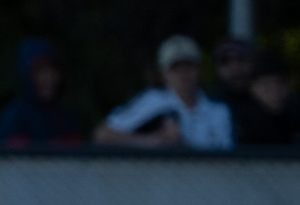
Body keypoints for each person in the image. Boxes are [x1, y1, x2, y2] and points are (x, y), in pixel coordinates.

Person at [94, 35, 234, 149]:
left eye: (189, 67)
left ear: (200, 70)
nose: (183, 74)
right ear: (163, 73)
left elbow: (227, 160)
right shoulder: (153, 100)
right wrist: (153, 141)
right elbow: (103, 135)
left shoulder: (219, 112)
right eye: (175, 68)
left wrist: (182, 144)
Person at [0, 38, 82, 146]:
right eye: (41, 71)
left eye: (53, 71)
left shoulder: (67, 118)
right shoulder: (13, 119)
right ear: (26, 75)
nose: (49, 78)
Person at [234, 50, 300, 146]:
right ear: (252, 88)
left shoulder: (297, 111)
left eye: (281, 83)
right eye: (266, 85)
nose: (275, 92)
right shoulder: (241, 121)